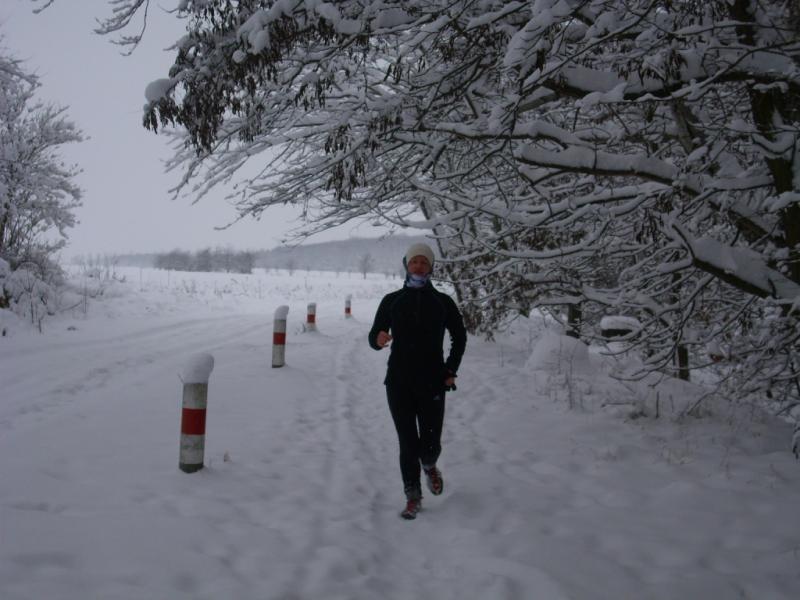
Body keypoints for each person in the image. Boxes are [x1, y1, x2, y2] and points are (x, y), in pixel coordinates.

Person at [368, 243, 467, 520]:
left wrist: (451, 369)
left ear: (431, 267)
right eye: (414, 261)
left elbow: (460, 337)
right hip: (398, 382)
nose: (419, 266)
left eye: (424, 262)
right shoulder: (392, 300)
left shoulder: (443, 302)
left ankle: (430, 465)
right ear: (407, 265)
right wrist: (378, 339)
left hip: (433, 381)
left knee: (430, 444)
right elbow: (374, 335)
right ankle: (412, 495)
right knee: (408, 443)